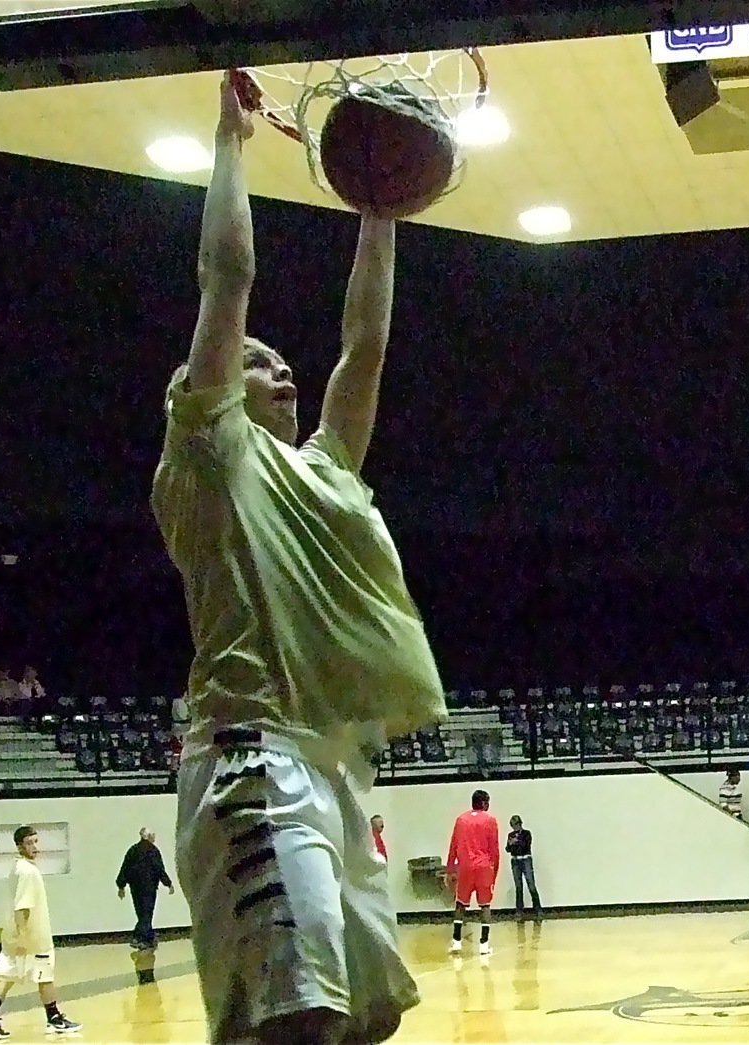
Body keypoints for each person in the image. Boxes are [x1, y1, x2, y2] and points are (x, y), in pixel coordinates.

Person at [151, 73, 446, 1045]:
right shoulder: (211, 453)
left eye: (283, 361)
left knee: (368, 1019)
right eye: (256, 360)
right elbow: (227, 278)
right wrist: (229, 144)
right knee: (302, 1015)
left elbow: (365, 345)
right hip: (253, 752)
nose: (279, 366)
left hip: (334, 764)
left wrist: (379, 213)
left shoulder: (326, 469)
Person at [0, 826, 81, 1039]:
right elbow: (22, 907)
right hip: (32, 939)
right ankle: (53, 1018)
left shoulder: (18, 867)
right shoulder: (27, 872)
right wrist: (23, 938)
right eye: (30, 843)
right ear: (19, 846)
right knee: (44, 976)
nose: (35, 847)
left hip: (18, 937)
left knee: (9, 977)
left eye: (36, 842)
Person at [447, 790, 500, 956]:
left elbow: (453, 846)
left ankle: (456, 941)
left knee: (460, 904)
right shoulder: (490, 820)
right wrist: (494, 872)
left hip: (465, 867)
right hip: (484, 867)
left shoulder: (461, 820)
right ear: (484, 803)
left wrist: (450, 869)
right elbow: (494, 849)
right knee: (485, 906)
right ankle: (484, 944)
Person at [115, 827, 175, 951]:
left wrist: (121, 886)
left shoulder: (132, 850)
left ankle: (147, 937)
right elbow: (159, 870)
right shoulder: (153, 851)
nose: (154, 837)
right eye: (153, 835)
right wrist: (168, 884)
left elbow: (124, 868)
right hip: (149, 888)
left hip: (135, 888)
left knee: (141, 913)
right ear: (148, 836)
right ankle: (142, 939)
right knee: (147, 914)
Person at [505, 815, 543, 920]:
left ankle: (538, 909)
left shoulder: (527, 833)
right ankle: (519, 911)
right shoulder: (510, 835)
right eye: (513, 826)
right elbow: (508, 849)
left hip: (526, 859)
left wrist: (516, 842)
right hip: (515, 860)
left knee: (531, 884)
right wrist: (511, 844)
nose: (515, 827)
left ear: (520, 824)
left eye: (516, 825)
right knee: (518, 886)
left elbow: (526, 845)